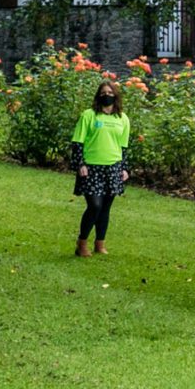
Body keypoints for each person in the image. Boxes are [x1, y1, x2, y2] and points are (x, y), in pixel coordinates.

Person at [69, 79, 132, 258]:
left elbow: (123, 146)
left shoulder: (122, 119)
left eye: (111, 93)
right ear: (98, 96)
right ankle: (82, 242)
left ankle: (100, 243)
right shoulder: (88, 115)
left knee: (105, 207)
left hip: (113, 167)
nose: (107, 96)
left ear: (116, 96)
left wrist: (124, 168)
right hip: (91, 167)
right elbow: (78, 142)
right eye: (104, 93)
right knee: (95, 205)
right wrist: (80, 164)